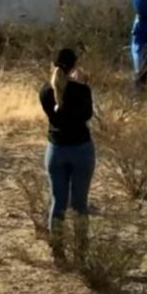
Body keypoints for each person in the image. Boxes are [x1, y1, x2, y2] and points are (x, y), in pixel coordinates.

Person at [39, 48, 95, 260]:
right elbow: (87, 115)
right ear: (73, 66)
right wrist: (82, 83)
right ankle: (81, 252)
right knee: (80, 203)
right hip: (81, 148)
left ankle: (58, 251)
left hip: (56, 150)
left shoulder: (44, 91)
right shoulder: (82, 91)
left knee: (58, 202)